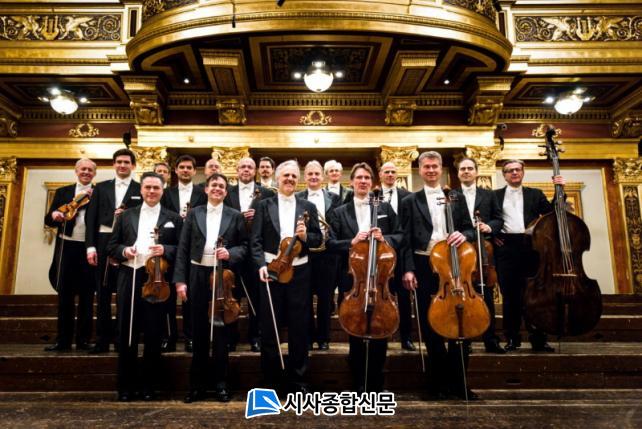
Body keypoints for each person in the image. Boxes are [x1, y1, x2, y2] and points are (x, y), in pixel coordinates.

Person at [401, 151, 476, 400]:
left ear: (441, 168)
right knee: (429, 323)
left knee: (460, 323)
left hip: (454, 264)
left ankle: (460, 383)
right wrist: (408, 268)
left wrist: (464, 235)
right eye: (426, 167)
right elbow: (405, 239)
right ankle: (437, 384)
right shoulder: (410, 201)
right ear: (420, 170)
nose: (431, 170)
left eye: (435, 166)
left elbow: (469, 228)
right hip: (424, 263)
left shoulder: (456, 196)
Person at [107, 172, 182, 402]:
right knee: (127, 332)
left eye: (156, 188)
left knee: (153, 333)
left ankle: (149, 386)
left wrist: (166, 250)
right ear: (141, 190)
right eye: (147, 187)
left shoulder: (173, 218)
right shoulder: (126, 216)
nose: (151, 191)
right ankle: (125, 386)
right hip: (130, 275)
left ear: (162, 190)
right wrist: (124, 251)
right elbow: (112, 246)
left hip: (157, 279)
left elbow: (181, 248)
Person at [327, 162, 403, 393]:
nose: (363, 181)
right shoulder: (339, 212)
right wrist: (351, 242)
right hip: (354, 279)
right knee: (355, 329)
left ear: (372, 182)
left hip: (381, 277)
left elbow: (401, 236)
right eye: (359, 178)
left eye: (367, 178)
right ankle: (359, 382)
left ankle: (377, 382)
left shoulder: (385, 208)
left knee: (381, 328)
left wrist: (384, 238)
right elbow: (330, 243)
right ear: (351, 182)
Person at [174, 172, 248, 403]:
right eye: (213, 185)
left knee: (222, 333)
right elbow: (183, 248)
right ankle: (196, 386)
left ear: (226, 192)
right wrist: (180, 280)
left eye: (221, 186)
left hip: (222, 276)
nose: (217, 188)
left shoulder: (235, 215)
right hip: (197, 274)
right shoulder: (194, 213)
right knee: (198, 332)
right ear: (206, 189)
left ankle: (221, 384)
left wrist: (231, 253)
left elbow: (245, 246)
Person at [251, 160, 322, 393]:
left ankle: (299, 380)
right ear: (278, 178)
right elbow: (255, 240)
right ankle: (270, 380)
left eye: (293, 176)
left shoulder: (308, 206)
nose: (290, 179)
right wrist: (261, 265)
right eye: (286, 176)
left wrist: (305, 237)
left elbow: (318, 239)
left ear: (297, 180)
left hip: (299, 272)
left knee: (299, 327)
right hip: (271, 271)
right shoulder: (264, 204)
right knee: (269, 325)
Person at [494, 159, 565, 353]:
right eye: (510, 170)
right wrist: (493, 236)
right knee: (510, 296)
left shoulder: (535, 194)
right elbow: (487, 219)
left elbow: (552, 213)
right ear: (504, 175)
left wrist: (559, 190)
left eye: (517, 169)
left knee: (535, 294)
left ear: (523, 172)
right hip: (506, 248)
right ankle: (512, 339)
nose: (514, 173)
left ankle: (539, 339)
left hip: (531, 247)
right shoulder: (494, 196)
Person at [85, 148, 142, 354]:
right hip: (102, 242)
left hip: (128, 246)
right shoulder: (101, 187)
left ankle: (121, 340)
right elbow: (91, 218)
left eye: (126, 162)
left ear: (133, 165)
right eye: (119, 162)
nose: (122, 165)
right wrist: (90, 246)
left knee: (125, 295)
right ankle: (102, 340)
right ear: (113, 164)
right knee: (103, 293)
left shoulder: (140, 188)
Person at [44, 158, 97, 352]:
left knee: (87, 296)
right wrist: (54, 216)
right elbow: (49, 219)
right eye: (83, 169)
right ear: (76, 171)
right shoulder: (63, 192)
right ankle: (63, 341)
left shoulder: (99, 192)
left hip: (89, 248)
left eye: (90, 170)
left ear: (94, 173)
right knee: (65, 296)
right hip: (66, 247)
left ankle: (83, 340)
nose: (86, 172)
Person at [224, 157, 275, 352]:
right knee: (232, 295)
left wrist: (257, 217)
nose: (246, 170)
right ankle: (231, 337)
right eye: (242, 167)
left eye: (250, 167)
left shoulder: (267, 193)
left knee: (257, 297)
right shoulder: (227, 191)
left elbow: (271, 222)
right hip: (233, 250)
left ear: (255, 171)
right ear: (237, 170)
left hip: (256, 252)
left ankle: (255, 336)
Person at [454, 157, 505, 354]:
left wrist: (489, 227)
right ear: (458, 173)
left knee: (487, 297)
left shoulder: (489, 195)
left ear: (476, 172)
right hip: (461, 250)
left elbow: (499, 219)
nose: (466, 171)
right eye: (463, 169)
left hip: (484, 251)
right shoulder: (451, 195)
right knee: (463, 296)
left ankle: (490, 340)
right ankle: (465, 339)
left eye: (470, 168)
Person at [160, 154, 208, 352]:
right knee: (168, 295)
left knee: (190, 297)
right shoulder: (166, 193)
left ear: (194, 171)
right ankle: (169, 336)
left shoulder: (202, 193)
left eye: (189, 167)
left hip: (193, 248)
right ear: (176, 170)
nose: (185, 170)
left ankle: (191, 337)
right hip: (170, 247)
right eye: (182, 167)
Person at [297, 160, 341, 351]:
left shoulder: (335, 198)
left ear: (322, 176)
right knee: (305, 297)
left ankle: (323, 338)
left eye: (317, 174)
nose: (314, 177)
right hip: (305, 253)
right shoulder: (297, 197)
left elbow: (337, 223)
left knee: (326, 298)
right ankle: (308, 337)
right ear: (304, 177)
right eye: (310, 174)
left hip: (328, 253)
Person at [378, 161, 414, 351]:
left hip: (403, 252)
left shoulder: (408, 197)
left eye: (393, 172)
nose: (390, 174)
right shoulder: (372, 196)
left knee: (404, 298)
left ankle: (406, 337)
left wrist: (409, 267)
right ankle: (382, 334)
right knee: (382, 297)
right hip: (381, 256)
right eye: (387, 172)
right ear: (380, 174)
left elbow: (408, 232)